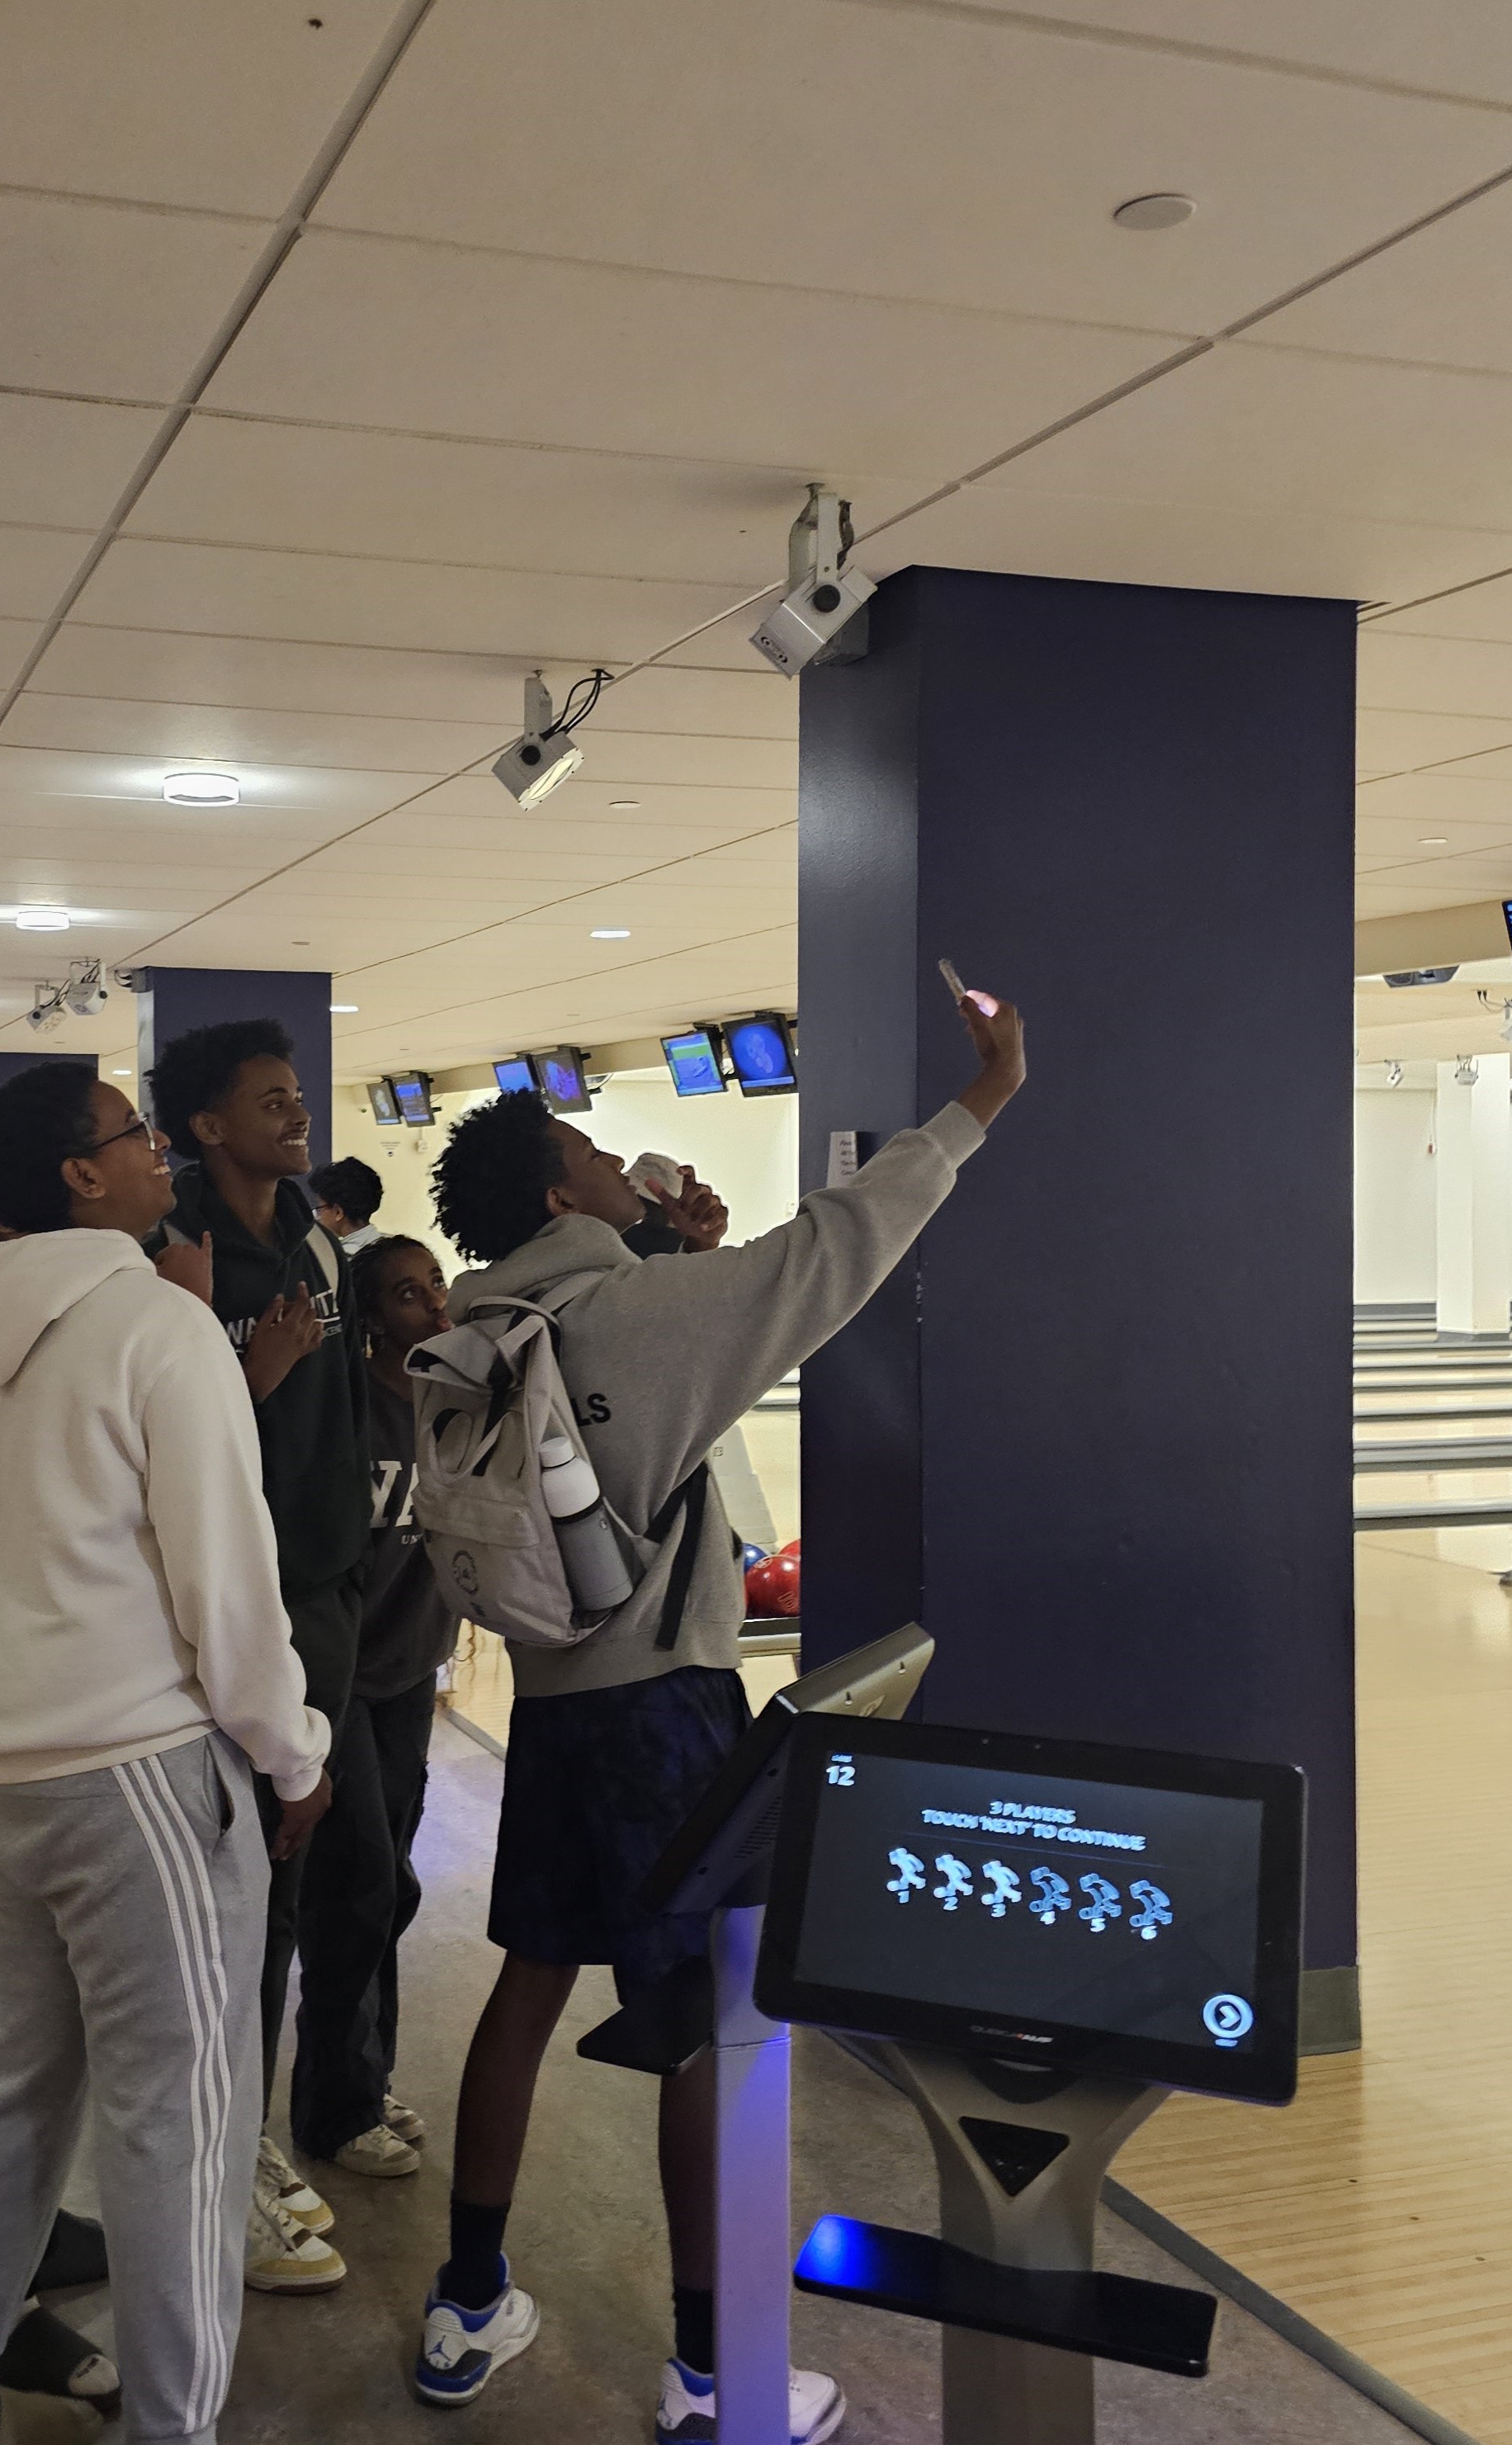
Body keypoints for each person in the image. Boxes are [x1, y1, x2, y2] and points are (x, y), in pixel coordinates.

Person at [409, 987, 1028, 2438]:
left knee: (529, 1984)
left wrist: (671, 1253)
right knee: (702, 2029)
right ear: (563, 1190)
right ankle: (712, 2373)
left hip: (551, 1716)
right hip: (663, 1717)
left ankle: (469, 2300)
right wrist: (986, 1093)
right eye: (596, 1149)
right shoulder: (639, 1313)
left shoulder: (471, 1335)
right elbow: (837, 1248)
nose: (623, 1163)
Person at [0, 1061, 333, 2445]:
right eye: (133, 1134)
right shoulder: (155, 1330)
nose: (159, 1148)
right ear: (80, 1179)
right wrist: (294, 1755)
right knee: (183, 2121)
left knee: (20, 2089)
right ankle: (179, 2425)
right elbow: (232, 1596)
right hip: (138, 1782)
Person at [144, 1019, 373, 2290]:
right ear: (204, 1128)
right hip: (245, 1613)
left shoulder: (313, 1241)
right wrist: (250, 1365)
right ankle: (229, 2169)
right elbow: (162, 1442)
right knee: (252, 1906)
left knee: (359, 1877)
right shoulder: (170, 1258)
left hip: (334, 1596)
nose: (296, 1114)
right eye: (269, 1101)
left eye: (298, 1095)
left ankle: (315, 2111)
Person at [288, 1236, 455, 2185]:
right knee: (359, 1888)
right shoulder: (351, 1412)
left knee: (383, 1883)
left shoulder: (457, 1403)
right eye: (405, 1294)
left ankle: (363, 2072)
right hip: (338, 1681)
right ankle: (335, 2109)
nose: (431, 1304)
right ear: (370, 1316)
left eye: (434, 1283)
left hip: (410, 1674)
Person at [310, 1156, 385, 1256]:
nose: (318, 1217)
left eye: (320, 1209)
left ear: (338, 1212)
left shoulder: (341, 1258)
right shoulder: (388, 1246)